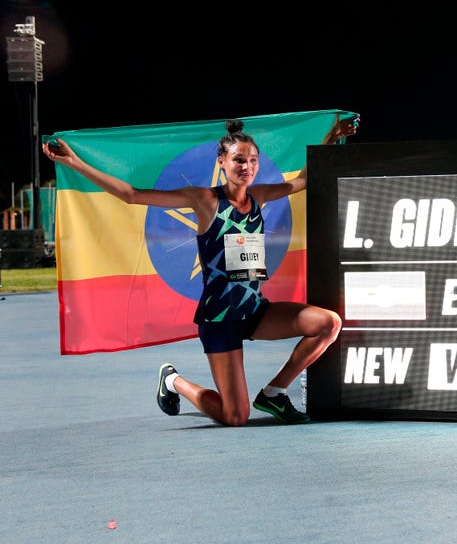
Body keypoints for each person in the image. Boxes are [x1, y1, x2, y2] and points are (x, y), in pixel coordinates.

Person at [43, 116, 358, 425]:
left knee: (328, 323)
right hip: (220, 320)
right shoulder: (204, 200)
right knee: (234, 417)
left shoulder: (258, 196)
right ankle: (174, 380)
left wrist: (331, 136)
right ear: (222, 161)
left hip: (255, 312)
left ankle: (274, 393)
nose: (245, 166)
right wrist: (75, 164)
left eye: (252, 161)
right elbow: (132, 195)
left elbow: (303, 180)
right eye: (238, 160)